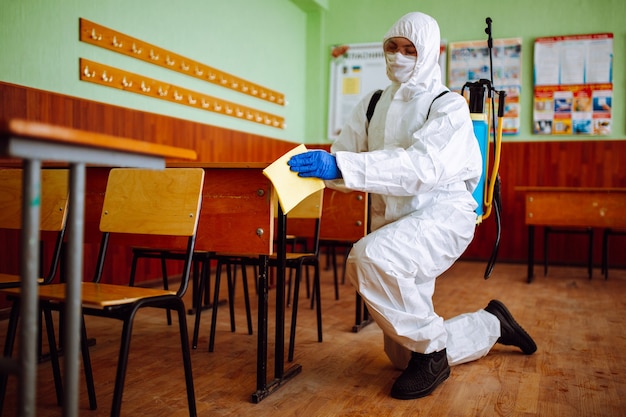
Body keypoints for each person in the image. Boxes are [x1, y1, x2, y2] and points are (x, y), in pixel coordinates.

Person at [288, 11, 536, 400]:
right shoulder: (371, 103)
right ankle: (491, 324)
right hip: (395, 220)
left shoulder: (447, 106)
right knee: (404, 356)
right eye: (392, 47)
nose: (398, 56)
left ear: (428, 54)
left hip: (444, 216)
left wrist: (342, 165)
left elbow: (423, 167)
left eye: (409, 50)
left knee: (368, 258)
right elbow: (345, 160)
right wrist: (316, 170)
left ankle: (433, 355)